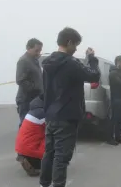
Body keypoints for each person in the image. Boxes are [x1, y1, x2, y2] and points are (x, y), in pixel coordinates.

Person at [39, 27, 101, 187]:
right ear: (69, 42)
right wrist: (92, 58)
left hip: (51, 114)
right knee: (62, 157)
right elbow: (94, 75)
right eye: (75, 45)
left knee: (49, 153)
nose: (75, 49)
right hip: (67, 115)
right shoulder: (70, 63)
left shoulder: (47, 63)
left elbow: (45, 89)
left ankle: (43, 184)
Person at [16, 38, 43, 127]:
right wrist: (36, 88)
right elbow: (20, 80)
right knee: (25, 126)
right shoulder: (24, 61)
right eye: (36, 51)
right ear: (28, 48)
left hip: (34, 99)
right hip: (26, 100)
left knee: (33, 127)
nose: (38, 53)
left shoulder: (34, 60)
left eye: (40, 50)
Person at [15, 95, 45, 176]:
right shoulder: (42, 113)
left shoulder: (34, 110)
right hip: (29, 148)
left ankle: (25, 157)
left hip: (22, 147)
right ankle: (32, 161)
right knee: (53, 137)